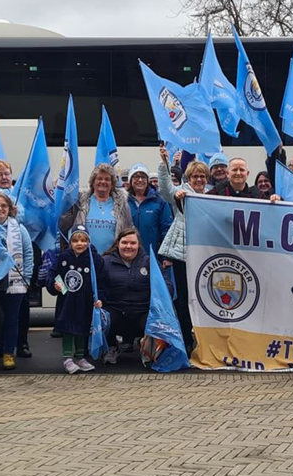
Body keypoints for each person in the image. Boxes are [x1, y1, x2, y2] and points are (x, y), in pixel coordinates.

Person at [158, 147, 209, 348]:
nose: (199, 180)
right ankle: (187, 342)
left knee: (203, 297)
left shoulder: (212, 196)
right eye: (195, 176)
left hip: (204, 253)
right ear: (189, 178)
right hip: (182, 255)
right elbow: (165, 190)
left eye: (202, 176)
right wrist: (164, 164)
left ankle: (205, 341)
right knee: (185, 299)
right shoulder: (181, 194)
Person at [0, 193, 33, 370]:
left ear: (10, 209)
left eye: (4, 206)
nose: (0, 209)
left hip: (14, 280)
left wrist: (26, 278)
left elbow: (28, 254)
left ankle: (9, 353)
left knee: (12, 319)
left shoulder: (19, 229)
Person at [45, 224, 103, 374]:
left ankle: (80, 357)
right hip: (67, 302)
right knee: (67, 329)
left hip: (85, 302)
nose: (80, 244)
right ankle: (67, 358)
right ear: (70, 242)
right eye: (76, 240)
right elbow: (52, 274)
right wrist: (54, 285)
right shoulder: (63, 257)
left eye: (83, 240)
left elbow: (102, 280)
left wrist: (100, 298)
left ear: (89, 242)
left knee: (82, 329)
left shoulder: (94, 259)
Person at [100, 228, 158, 364]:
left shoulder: (149, 262)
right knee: (103, 317)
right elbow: (97, 286)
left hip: (141, 312)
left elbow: (164, 283)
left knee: (156, 319)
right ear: (117, 244)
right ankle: (111, 347)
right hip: (116, 311)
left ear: (139, 245)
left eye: (133, 243)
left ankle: (147, 349)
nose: (128, 246)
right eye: (124, 242)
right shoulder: (105, 262)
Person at [59, 163, 133, 256]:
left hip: (112, 259)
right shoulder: (79, 203)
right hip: (84, 258)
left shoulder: (122, 205)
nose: (103, 181)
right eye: (99, 178)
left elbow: (128, 232)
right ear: (93, 182)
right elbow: (63, 225)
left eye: (107, 179)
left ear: (112, 184)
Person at [125, 162, 173, 254]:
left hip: (152, 255)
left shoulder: (159, 201)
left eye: (143, 177)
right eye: (136, 176)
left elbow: (167, 230)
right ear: (130, 180)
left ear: (147, 180)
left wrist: (167, 255)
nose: (140, 180)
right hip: (127, 254)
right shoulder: (123, 201)